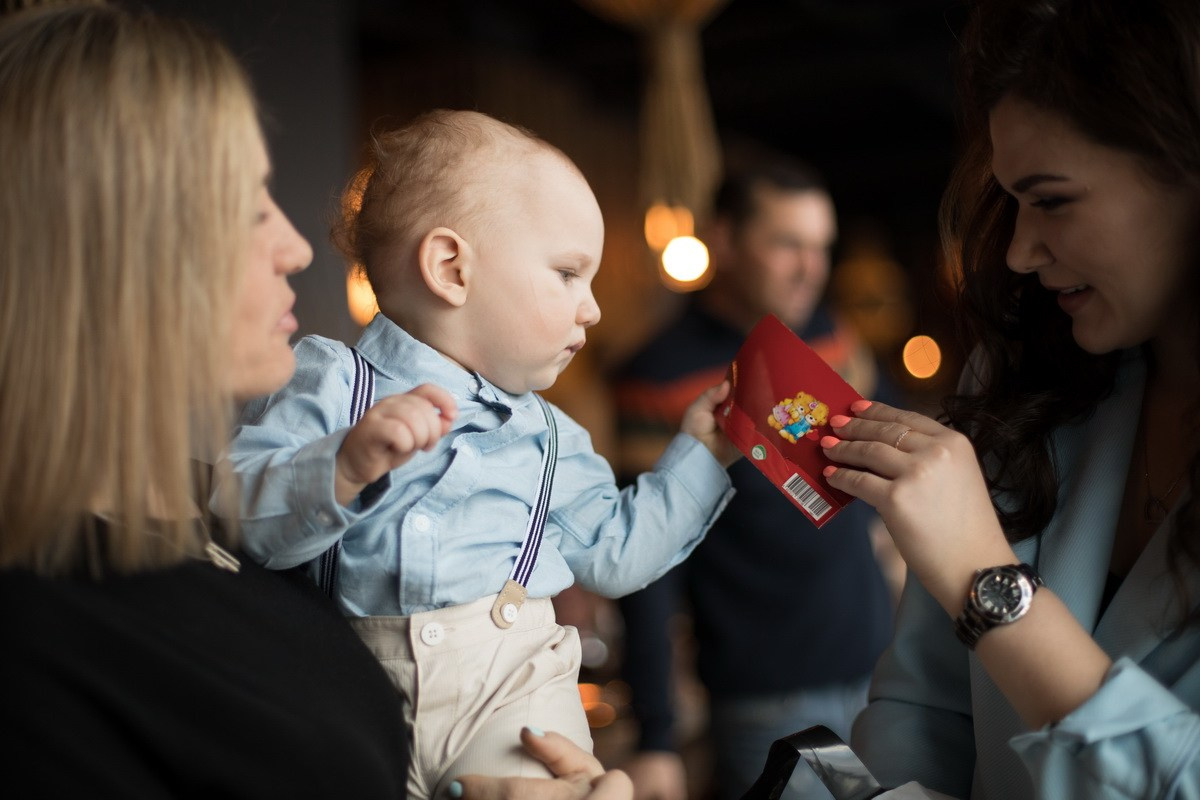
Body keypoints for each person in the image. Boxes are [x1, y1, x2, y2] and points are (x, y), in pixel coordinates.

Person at [0, 5, 654, 799]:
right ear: (97, 251)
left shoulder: (224, 522)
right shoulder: (44, 642)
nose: (298, 246)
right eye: (244, 206)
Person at [213, 109, 739, 800]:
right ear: (451, 267)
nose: (593, 310)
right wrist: (340, 470)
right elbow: (238, 516)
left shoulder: (553, 437)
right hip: (349, 694)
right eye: (568, 273)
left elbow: (617, 555)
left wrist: (702, 453)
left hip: (514, 707)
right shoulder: (333, 384)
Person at [817, 0, 1200, 797]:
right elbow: (921, 708)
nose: (1022, 251)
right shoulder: (1021, 374)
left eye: (1053, 200)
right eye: (1014, 202)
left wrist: (986, 579)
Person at [614, 158, 899, 800]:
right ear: (723, 239)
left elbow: (897, 441)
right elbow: (649, 563)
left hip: (882, 669)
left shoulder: (833, 336)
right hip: (764, 696)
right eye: (786, 245)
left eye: (821, 247)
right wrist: (656, 735)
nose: (811, 268)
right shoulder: (657, 372)